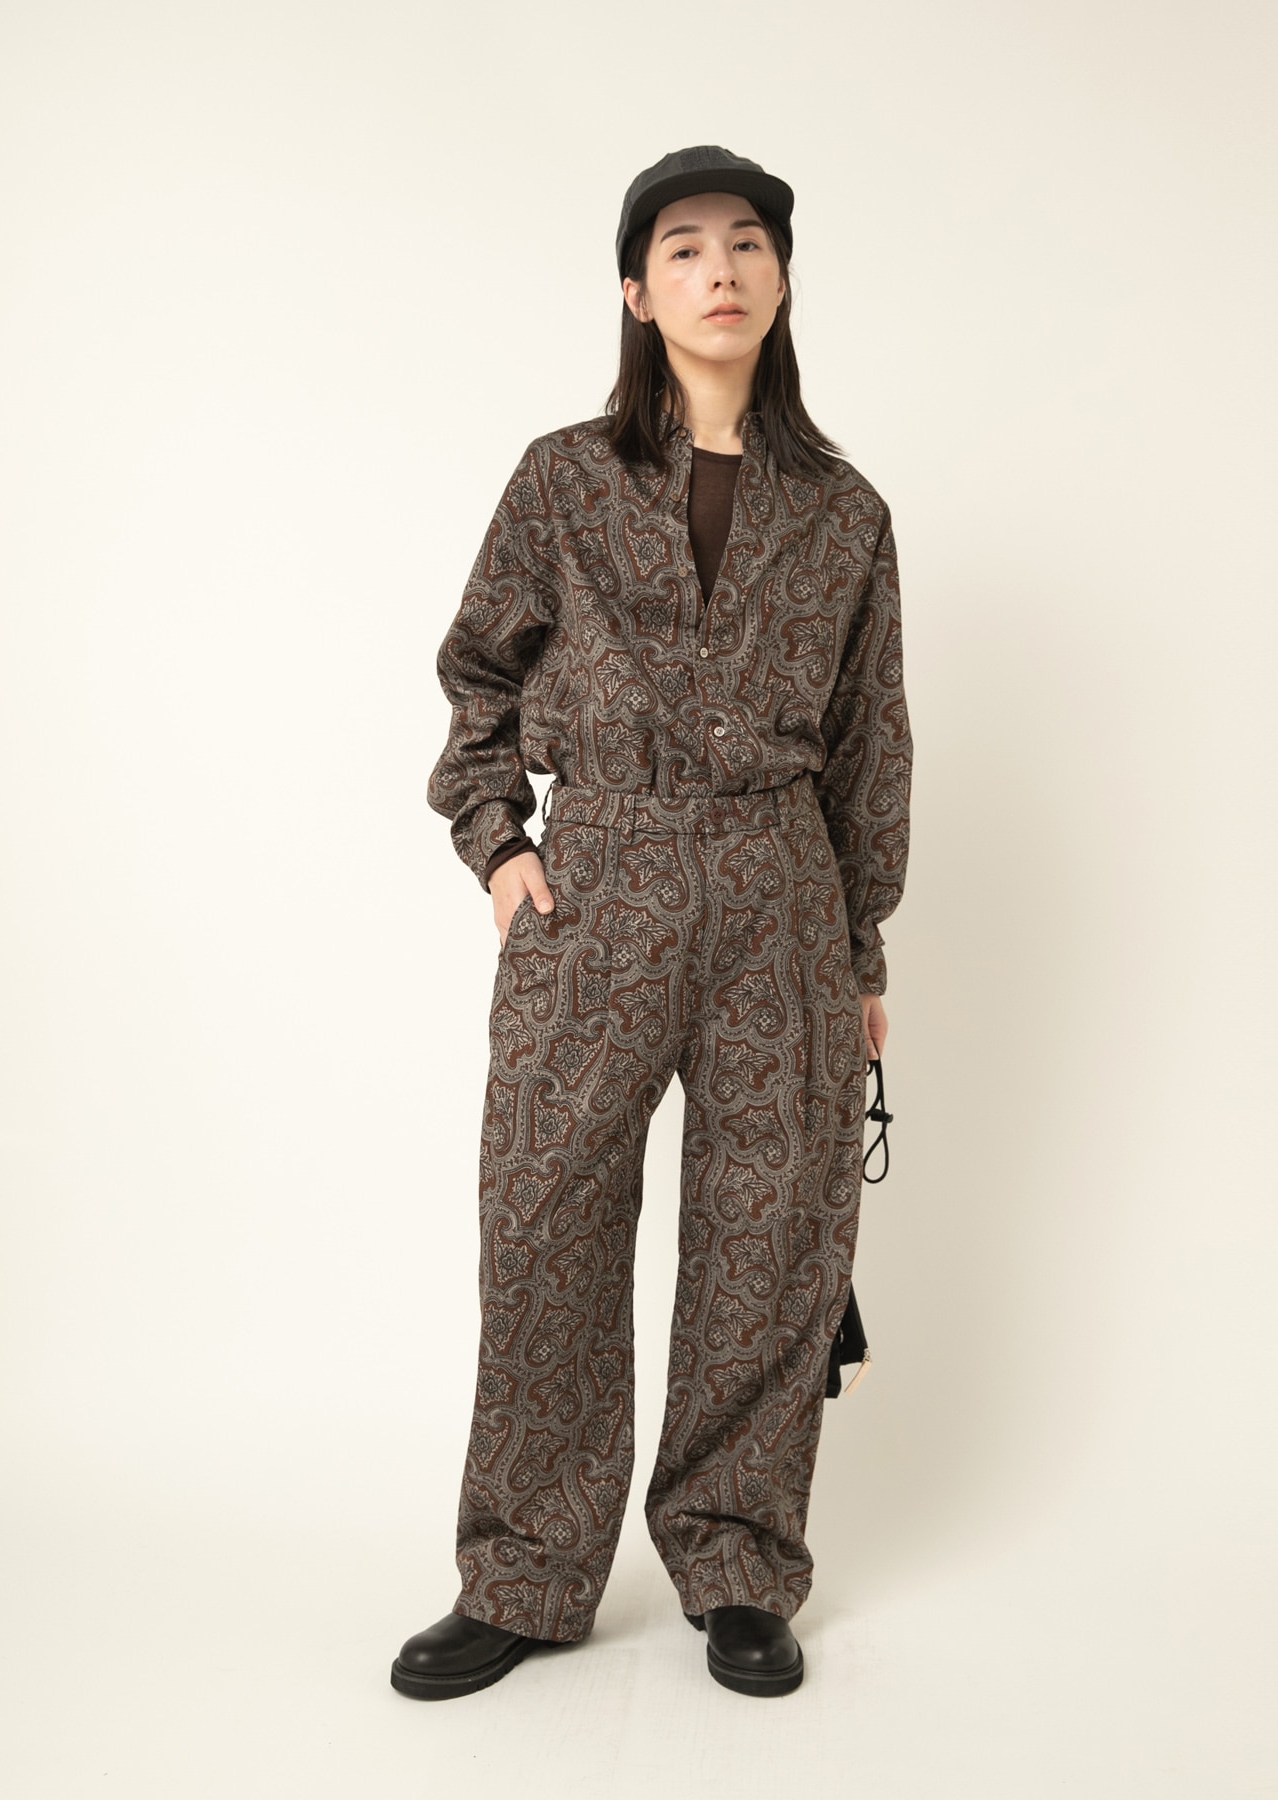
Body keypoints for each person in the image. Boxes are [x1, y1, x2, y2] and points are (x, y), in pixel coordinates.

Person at [391, 145, 912, 1701]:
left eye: (747, 243)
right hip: (601, 877)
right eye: (683, 248)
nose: (719, 270)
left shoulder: (846, 514)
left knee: (772, 1231)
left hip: (780, 892)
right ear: (637, 291)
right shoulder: (563, 480)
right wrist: (501, 847)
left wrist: (860, 950)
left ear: (782, 279)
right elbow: (478, 674)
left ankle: (738, 1559)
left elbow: (870, 743)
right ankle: (526, 1572)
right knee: (544, 1217)